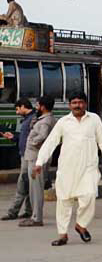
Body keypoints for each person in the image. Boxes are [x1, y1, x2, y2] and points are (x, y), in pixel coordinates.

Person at [33, 92, 102, 246]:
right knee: (64, 201)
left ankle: (81, 225)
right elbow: (50, 142)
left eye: (80, 102)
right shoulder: (63, 122)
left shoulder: (94, 119)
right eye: (74, 102)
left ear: (85, 104)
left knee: (89, 196)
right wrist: (39, 161)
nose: (77, 105)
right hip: (67, 169)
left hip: (88, 167)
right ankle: (62, 235)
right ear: (70, 105)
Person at [18, 97, 55, 227]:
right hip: (34, 157)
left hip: (36, 158)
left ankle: (37, 217)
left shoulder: (45, 121)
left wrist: (32, 142)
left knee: (36, 188)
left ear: (43, 107)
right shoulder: (43, 119)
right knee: (34, 188)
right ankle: (35, 215)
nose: (36, 107)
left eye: (38, 105)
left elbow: (43, 136)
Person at [2, 99, 36, 221]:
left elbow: (33, 138)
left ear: (23, 106)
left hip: (29, 156)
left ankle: (13, 212)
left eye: (17, 109)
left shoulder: (33, 119)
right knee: (27, 184)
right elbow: (25, 137)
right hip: (25, 155)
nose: (17, 112)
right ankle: (28, 210)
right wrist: (14, 137)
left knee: (22, 184)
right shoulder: (28, 119)